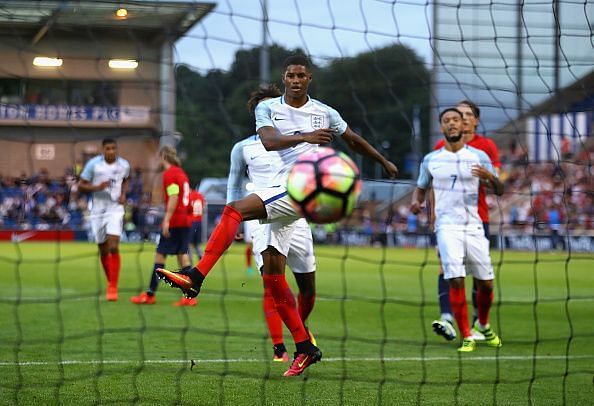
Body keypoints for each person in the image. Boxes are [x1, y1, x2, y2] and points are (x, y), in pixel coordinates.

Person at [157, 55, 398, 376]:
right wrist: (306, 138)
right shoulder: (267, 110)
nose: (296, 80)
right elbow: (269, 142)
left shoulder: (324, 112)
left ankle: (195, 277)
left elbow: (352, 139)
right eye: (290, 75)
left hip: (305, 187)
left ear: (309, 78)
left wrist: (384, 161)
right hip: (280, 193)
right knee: (272, 276)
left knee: (237, 211)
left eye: (301, 75)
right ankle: (304, 346)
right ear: (284, 78)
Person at [228, 84, 318, 362]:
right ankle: (280, 344)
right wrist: (235, 225)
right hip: (260, 218)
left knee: (308, 287)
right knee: (272, 281)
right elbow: (233, 187)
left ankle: (300, 331)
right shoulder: (243, 147)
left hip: (294, 213)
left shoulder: (299, 141)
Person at [410, 107, 503, 352]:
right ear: (442, 127)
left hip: (474, 226)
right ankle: (466, 335)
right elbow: (421, 186)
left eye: (456, 120)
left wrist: (489, 177)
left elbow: (500, 189)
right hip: (446, 227)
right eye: (446, 121)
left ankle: (483, 324)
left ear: (465, 126)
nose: (451, 124)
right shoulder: (431, 159)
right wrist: (416, 201)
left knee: (486, 283)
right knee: (456, 279)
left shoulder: (480, 156)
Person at [130, 146, 196, 307]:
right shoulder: (181, 173)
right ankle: (191, 296)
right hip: (185, 220)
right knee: (183, 256)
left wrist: (166, 219)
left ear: (163, 157)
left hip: (175, 220)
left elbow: (173, 196)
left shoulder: (170, 173)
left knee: (160, 256)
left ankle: (150, 294)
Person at [78, 138, 130, 301]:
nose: (111, 151)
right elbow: (81, 185)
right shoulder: (93, 164)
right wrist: (97, 187)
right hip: (98, 209)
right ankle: (111, 281)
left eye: (113, 148)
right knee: (103, 249)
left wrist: (123, 194)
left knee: (114, 246)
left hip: (115, 208)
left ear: (117, 149)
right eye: (108, 148)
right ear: (103, 150)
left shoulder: (124, 165)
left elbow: (126, 179)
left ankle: (112, 287)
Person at [188, 188, 205, 263]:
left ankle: (189, 263)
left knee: (189, 244)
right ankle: (202, 260)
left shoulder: (189, 195)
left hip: (192, 222)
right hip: (199, 222)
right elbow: (203, 207)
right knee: (197, 244)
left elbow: (187, 208)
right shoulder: (200, 195)